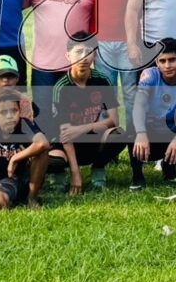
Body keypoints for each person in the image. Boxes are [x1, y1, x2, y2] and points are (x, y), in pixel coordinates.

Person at [80, 0, 148, 139]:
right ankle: (107, 145)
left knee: (130, 94)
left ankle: (132, 139)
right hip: (100, 43)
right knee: (104, 96)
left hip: (129, 41)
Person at [24, 0, 96, 115]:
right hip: (43, 65)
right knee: (43, 116)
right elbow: (14, 7)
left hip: (78, 64)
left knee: (77, 116)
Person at [48, 35, 122, 192]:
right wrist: (76, 173)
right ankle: (60, 174)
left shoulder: (102, 81)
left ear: (95, 55)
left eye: (88, 52)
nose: (83, 57)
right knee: (53, 159)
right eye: (78, 51)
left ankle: (98, 169)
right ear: (68, 55)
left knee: (120, 135)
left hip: (90, 138)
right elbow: (65, 134)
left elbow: (114, 120)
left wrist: (82, 128)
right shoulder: (61, 87)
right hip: (64, 143)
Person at [130, 38, 176, 190]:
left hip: (170, 133)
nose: (167, 66)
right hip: (148, 135)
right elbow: (139, 105)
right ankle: (137, 175)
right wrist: (141, 133)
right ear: (157, 62)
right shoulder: (149, 75)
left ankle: (168, 164)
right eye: (162, 61)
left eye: (172, 60)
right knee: (131, 129)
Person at [0, 90, 50, 210]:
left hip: (29, 178)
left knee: (42, 152)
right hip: (5, 181)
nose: (9, 116)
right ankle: (9, 199)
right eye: (3, 112)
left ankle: (32, 198)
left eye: (14, 111)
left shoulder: (25, 125)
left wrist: (15, 158)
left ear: (19, 111)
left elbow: (43, 143)